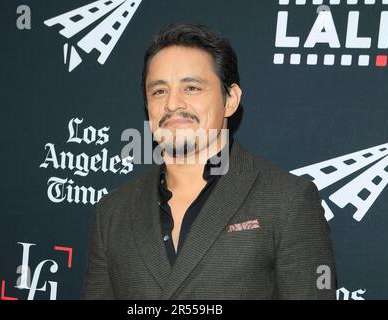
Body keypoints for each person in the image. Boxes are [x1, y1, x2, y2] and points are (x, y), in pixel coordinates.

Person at [82, 23, 336, 299]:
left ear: (230, 100)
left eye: (191, 88)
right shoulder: (113, 211)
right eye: (159, 91)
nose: (172, 104)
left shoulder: (288, 201)